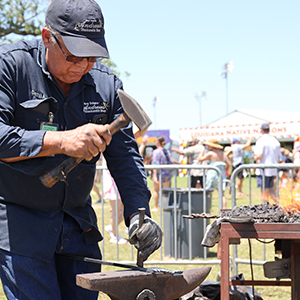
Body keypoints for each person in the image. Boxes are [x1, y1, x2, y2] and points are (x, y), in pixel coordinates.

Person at [0, 1, 162, 299]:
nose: (83, 65)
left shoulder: (106, 86)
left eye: (92, 56)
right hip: (23, 228)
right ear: (47, 36)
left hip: (78, 228)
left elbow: (125, 157)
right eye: (74, 55)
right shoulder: (11, 66)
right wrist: (60, 141)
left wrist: (138, 213)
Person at [198, 138, 231, 209]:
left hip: (212, 173)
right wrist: (225, 171)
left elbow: (200, 159)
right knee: (222, 194)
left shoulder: (210, 153)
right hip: (221, 173)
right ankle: (223, 209)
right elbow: (229, 164)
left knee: (207, 191)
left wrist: (203, 150)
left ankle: (204, 207)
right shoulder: (223, 154)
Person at [102, 158, 127, 244]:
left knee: (124, 210)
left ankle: (112, 228)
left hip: (118, 184)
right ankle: (115, 236)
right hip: (112, 184)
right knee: (116, 211)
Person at [254, 123, 281, 201]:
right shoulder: (275, 141)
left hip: (263, 170)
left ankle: (266, 208)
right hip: (273, 169)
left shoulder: (261, 140)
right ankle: (280, 205)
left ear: (261, 130)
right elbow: (278, 157)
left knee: (264, 191)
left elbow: (259, 155)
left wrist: (254, 157)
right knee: (271, 190)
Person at [151, 136, 174, 211]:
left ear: (157, 143)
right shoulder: (167, 151)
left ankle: (156, 207)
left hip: (158, 173)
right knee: (165, 191)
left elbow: (155, 164)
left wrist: (154, 176)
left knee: (155, 190)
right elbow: (171, 162)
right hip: (167, 174)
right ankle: (164, 206)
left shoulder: (155, 152)